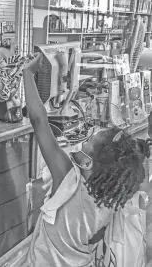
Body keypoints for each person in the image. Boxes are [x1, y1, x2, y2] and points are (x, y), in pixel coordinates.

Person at [23, 52, 150, 266]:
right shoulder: (111, 199)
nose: (82, 143)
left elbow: (38, 120)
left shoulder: (68, 181)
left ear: (87, 162)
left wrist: (27, 73)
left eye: (87, 143)